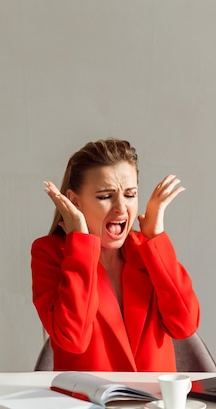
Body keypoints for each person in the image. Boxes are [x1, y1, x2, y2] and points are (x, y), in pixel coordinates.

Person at [31, 138, 200, 371]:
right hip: (88, 403)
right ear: (74, 201)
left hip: (155, 404)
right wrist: (80, 244)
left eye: (130, 195)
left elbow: (185, 325)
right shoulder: (49, 254)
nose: (121, 208)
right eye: (105, 196)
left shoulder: (147, 250)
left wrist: (156, 238)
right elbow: (73, 339)